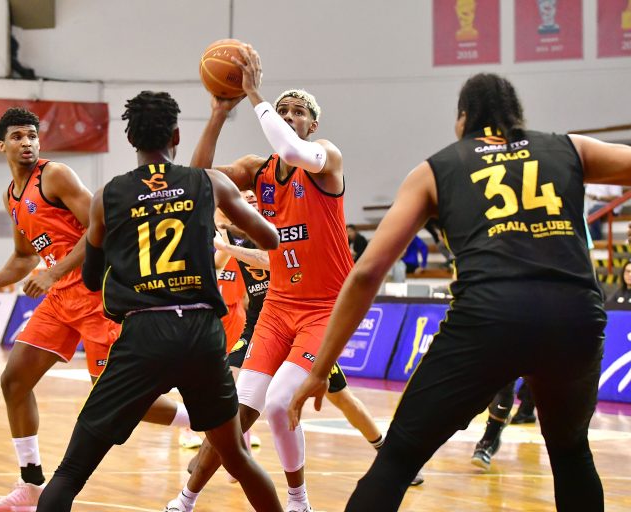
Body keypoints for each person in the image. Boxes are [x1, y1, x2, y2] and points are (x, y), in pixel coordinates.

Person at [289, 72, 631, 511]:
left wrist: (320, 368)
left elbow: (367, 272)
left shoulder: (437, 169)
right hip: (575, 317)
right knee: (571, 453)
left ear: (463, 119)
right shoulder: (570, 148)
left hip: (489, 319)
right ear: (516, 114)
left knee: (399, 457)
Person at [35, 91, 283, 512]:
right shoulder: (209, 182)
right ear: (176, 135)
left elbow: (91, 278)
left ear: (130, 139)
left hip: (143, 332)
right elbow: (271, 239)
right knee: (238, 459)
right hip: (201, 334)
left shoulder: (108, 197)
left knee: (70, 473)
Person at [166, 45, 355, 512]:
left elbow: (291, 149)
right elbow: (197, 179)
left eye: (299, 112)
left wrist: (254, 94)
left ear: (313, 125)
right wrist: (217, 114)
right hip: (279, 306)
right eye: (283, 109)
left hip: (326, 309)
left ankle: (298, 501)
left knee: (279, 403)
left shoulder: (326, 158)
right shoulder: (258, 170)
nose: (289, 116)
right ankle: (184, 501)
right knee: (235, 413)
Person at [0, 107, 188, 512]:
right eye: (17, 136)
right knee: (14, 380)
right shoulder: (11, 196)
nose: (27, 142)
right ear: (1, 145)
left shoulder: (55, 176)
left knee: (116, 399)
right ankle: (30, 485)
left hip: (95, 295)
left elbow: (100, 228)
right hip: (60, 300)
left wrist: (54, 272)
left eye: (32, 135)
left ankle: (208, 420)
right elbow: (24, 257)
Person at [216, 210, 424, 485]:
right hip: (262, 323)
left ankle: (387, 453)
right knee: (232, 385)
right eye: (244, 197)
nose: (251, 199)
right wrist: (218, 230)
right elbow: (217, 260)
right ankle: (239, 458)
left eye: (254, 195)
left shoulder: (280, 226)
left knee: (342, 399)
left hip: (303, 321)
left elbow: (269, 261)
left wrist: (227, 246)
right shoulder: (231, 230)